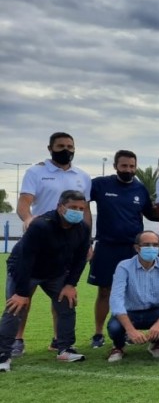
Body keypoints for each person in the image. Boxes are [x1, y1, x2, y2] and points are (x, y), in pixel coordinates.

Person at [13, 132, 92, 355]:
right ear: (50, 148)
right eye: (60, 146)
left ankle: (59, 341)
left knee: (62, 294)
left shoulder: (82, 176)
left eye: (70, 146)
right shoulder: (36, 172)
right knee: (24, 293)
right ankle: (18, 339)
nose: (66, 149)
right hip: (39, 241)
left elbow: (85, 211)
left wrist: (87, 242)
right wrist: (28, 219)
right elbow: (24, 203)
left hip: (67, 245)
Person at [0, 190, 91, 370]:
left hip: (55, 273)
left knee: (67, 302)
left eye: (81, 208)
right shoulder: (41, 225)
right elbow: (25, 259)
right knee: (15, 307)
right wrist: (21, 292)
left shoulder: (83, 228)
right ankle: (3, 355)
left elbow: (81, 258)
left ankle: (65, 349)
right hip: (25, 270)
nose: (78, 211)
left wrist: (70, 284)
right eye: (73, 207)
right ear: (60, 207)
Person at [88, 150, 159, 348]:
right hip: (107, 246)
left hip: (132, 249)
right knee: (104, 291)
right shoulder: (100, 184)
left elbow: (152, 214)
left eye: (131, 166)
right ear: (115, 166)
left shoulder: (140, 188)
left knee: (130, 292)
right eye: (124, 166)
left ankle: (128, 331)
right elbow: (80, 201)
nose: (128, 170)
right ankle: (98, 333)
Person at [106, 231, 159, 362]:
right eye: (147, 245)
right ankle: (118, 347)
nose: (151, 248)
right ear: (137, 248)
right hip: (130, 312)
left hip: (154, 312)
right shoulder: (124, 266)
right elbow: (116, 300)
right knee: (114, 327)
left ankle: (156, 344)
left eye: (155, 245)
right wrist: (130, 330)